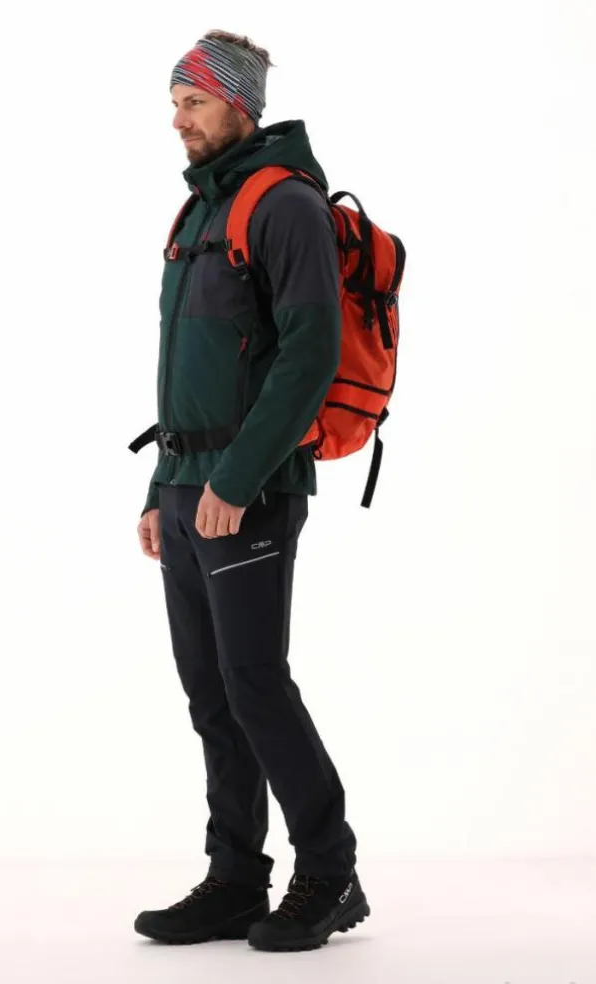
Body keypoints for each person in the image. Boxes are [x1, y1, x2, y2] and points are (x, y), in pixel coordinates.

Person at [131, 30, 369, 953]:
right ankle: (235, 878)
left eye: (193, 102)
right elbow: (184, 368)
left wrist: (235, 479)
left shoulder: (286, 205)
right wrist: (163, 485)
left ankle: (329, 871)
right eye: (174, 104)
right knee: (210, 692)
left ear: (239, 104)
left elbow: (309, 355)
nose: (178, 121)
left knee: (255, 683)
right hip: (188, 490)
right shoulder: (201, 210)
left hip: (249, 489)